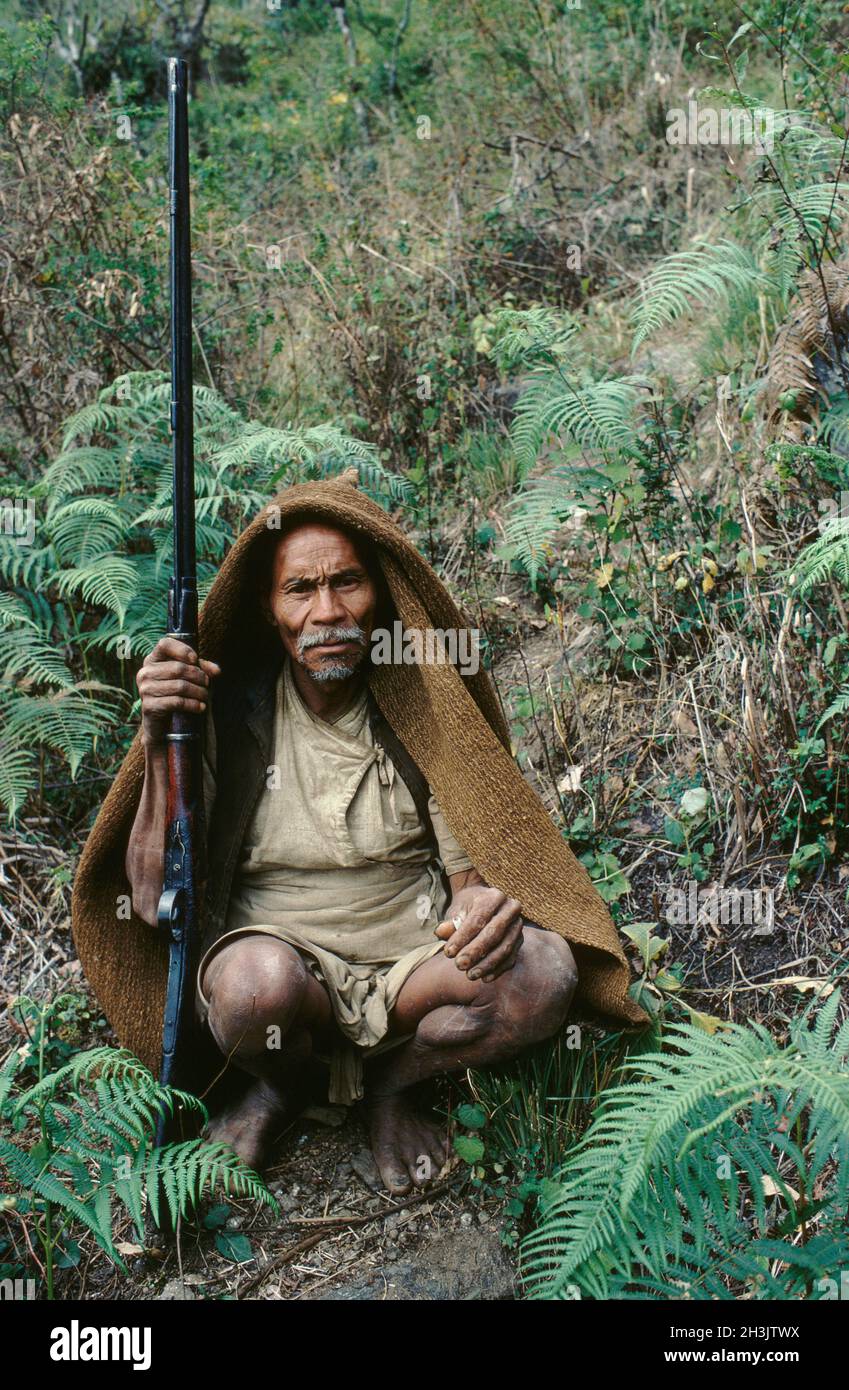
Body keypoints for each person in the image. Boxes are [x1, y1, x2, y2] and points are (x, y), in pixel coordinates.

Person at [72, 475, 646, 1197]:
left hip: (411, 962)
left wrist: (482, 906)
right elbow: (155, 896)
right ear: (265, 605)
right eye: (299, 590)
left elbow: (472, 874)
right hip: (282, 966)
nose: (328, 612)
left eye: (347, 583)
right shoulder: (228, 709)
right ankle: (279, 1085)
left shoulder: (419, 704)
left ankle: (388, 1088)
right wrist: (162, 736)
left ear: (379, 593)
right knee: (254, 993)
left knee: (540, 975)